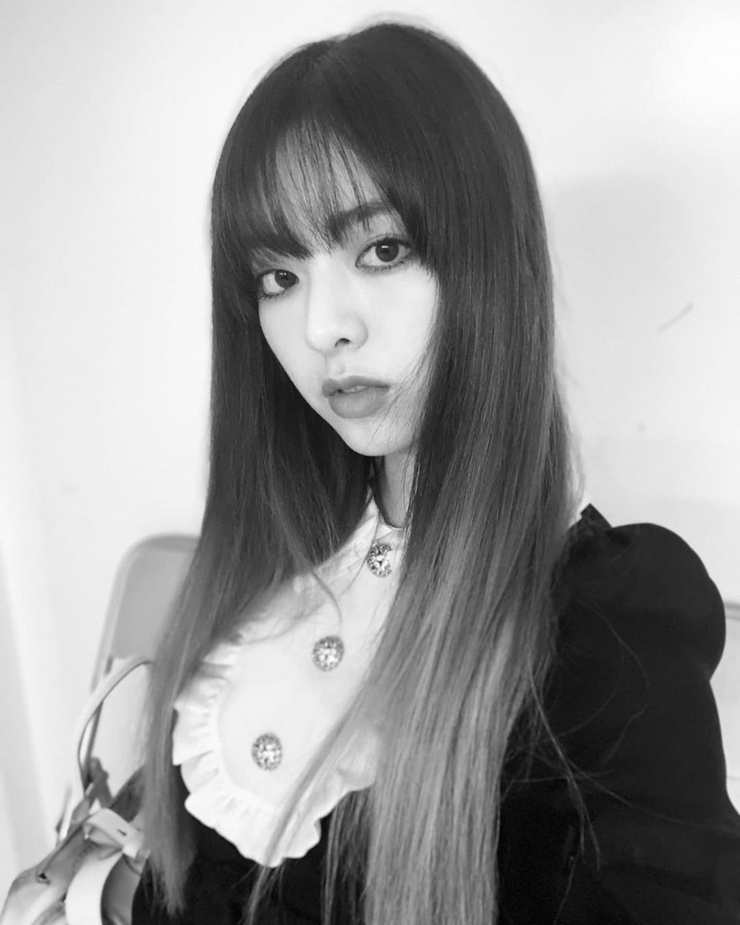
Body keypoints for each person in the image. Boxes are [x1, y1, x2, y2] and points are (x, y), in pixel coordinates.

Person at [131, 19, 740, 925]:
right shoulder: (260, 573)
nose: (323, 327)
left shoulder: (604, 630)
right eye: (277, 275)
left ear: (491, 264)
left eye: (382, 249)